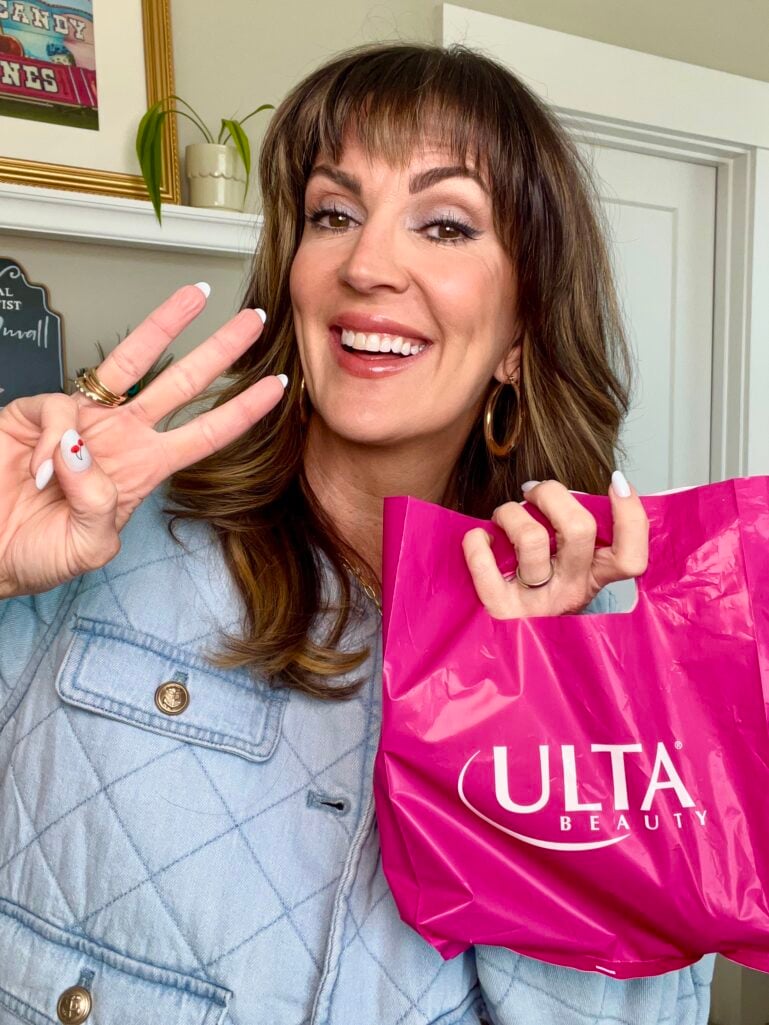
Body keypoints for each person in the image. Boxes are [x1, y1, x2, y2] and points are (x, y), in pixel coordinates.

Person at [0, 40, 715, 1025]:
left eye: (446, 224)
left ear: (518, 332)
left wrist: (538, 716)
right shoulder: (98, 538)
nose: (366, 264)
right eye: (333, 213)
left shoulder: (608, 627)